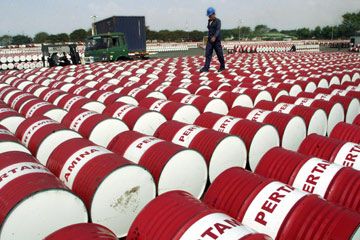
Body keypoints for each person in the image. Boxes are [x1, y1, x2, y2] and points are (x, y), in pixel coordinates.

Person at [200, 7, 225, 73]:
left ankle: (222, 66)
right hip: (210, 41)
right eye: (208, 16)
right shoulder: (209, 21)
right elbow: (209, 30)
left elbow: (218, 30)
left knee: (219, 54)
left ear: (214, 14)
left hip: (216, 41)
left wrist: (215, 37)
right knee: (208, 54)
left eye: (210, 15)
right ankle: (206, 68)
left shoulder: (218, 21)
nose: (209, 17)